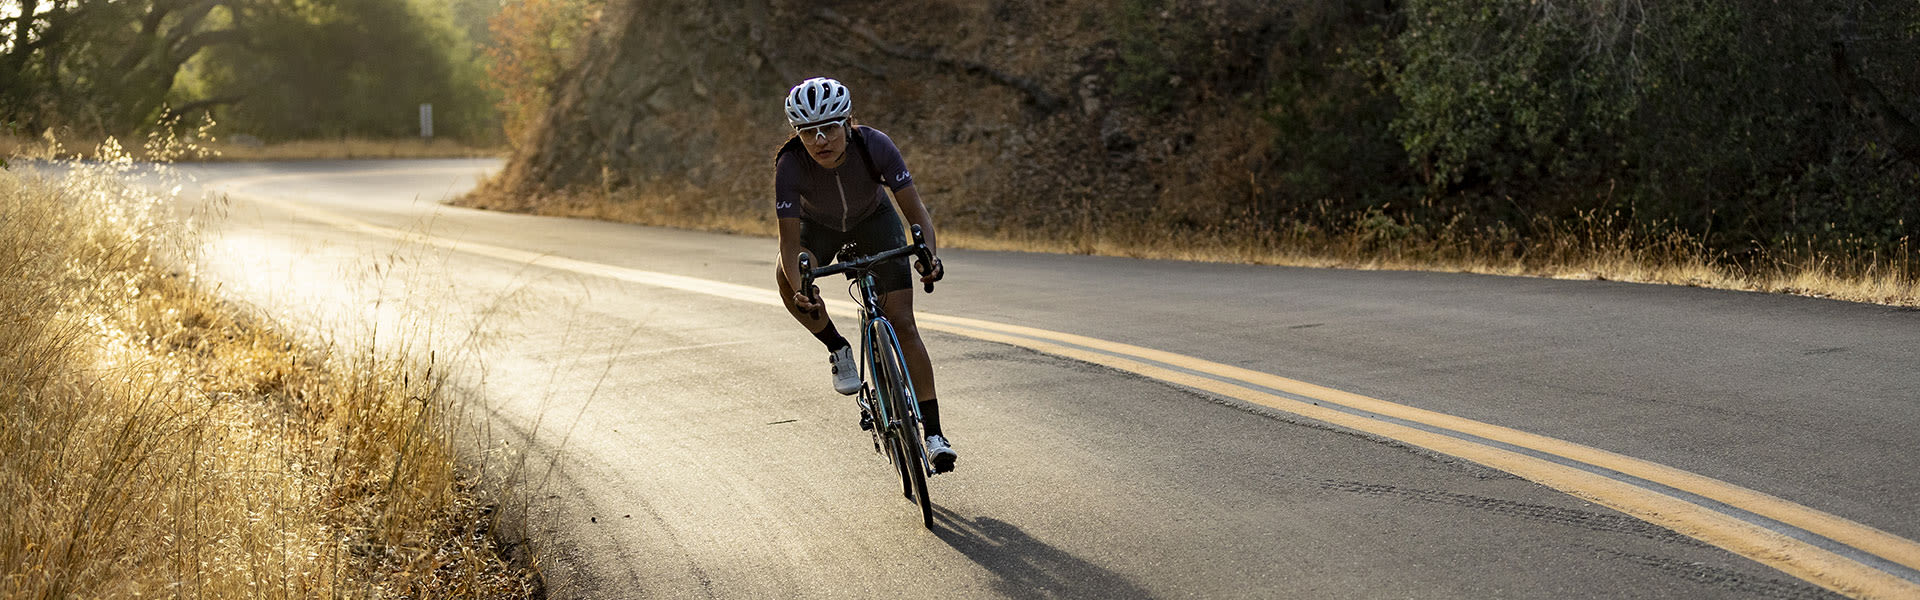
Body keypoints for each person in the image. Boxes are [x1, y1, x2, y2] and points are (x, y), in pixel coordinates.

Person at [773, 77, 957, 472]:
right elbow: (789, 243)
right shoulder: (789, 164)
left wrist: (929, 256)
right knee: (784, 274)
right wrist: (800, 286)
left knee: (904, 324)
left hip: (874, 221)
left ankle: (934, 434)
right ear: (798, 135)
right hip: (816, 229)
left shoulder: (875, 145)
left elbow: (915, 211)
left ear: (848, 122)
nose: (820, 139)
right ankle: (837, 347)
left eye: (829, 128)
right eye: (808, 132)